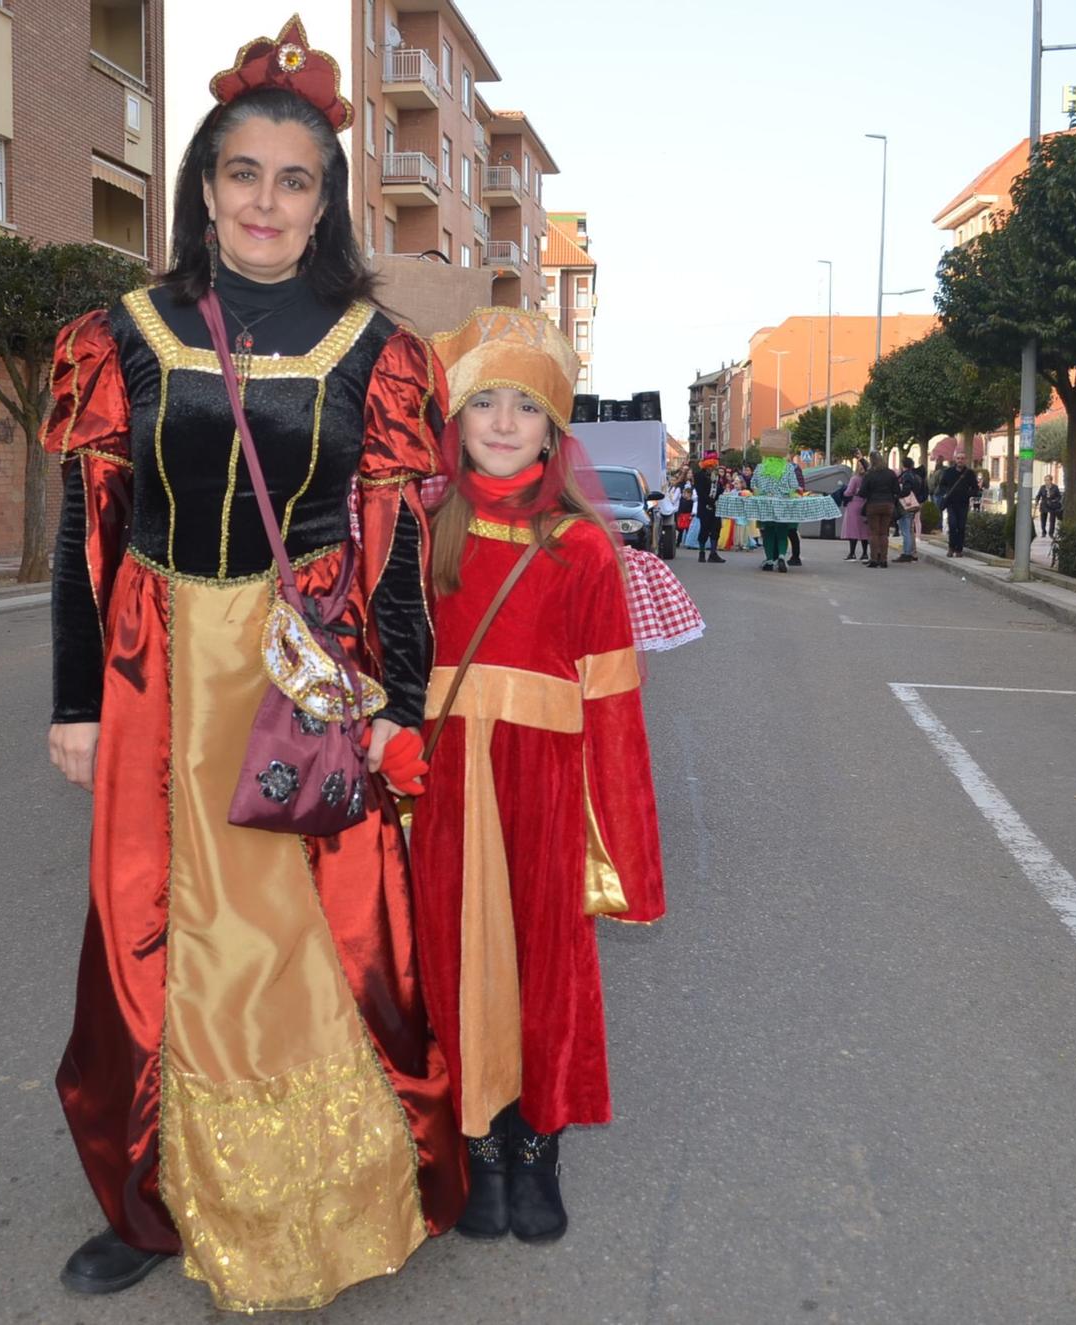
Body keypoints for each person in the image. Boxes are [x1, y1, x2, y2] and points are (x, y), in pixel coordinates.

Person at [39, 21, 465, 1308]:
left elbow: (392, 559)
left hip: (309, 672)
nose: (265, 200)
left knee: (309, 936)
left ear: (324, 199)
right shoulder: (117, 335)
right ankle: (155, 1195)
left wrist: (400, 707)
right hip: (158, 664)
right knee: (151, 931)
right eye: (242, 175)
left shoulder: (377, 352)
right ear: (203, 188)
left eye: (293, 179)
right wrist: (70, 702)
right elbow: (85, 536)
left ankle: (329, 1199)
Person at [415, 307, 666, 1245]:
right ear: (459, 417)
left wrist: (626, 848)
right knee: (457, 957)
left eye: (526, 405)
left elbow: (612, 705)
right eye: (487, 401)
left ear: (554, 426)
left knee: (545, 968)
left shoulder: (585, 548)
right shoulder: (421, 529)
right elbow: (392, 669)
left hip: (548, 789)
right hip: (446, 787)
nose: (506, 421)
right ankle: (476, 1146)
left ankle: (536, 1148)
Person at [752, 433, 802, 572]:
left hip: (766, 505)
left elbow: (753, 485)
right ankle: (780, 556)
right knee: (782, 531)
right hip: (783, 504)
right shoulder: (788, 468)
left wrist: (764, 492)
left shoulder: (760, 468)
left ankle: (769, 560)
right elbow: (794, 486)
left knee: (768, 532)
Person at [859, 453, 899, 568]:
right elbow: (896, 490)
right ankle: (884, 560)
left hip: (873, 505)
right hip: (888, 505)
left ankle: (874, 559)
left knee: (874, 533)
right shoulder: (891, 474)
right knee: (884, 533)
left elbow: (862, 492)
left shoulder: (870, 474)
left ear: (872, 462)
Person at [941, 459, 979, 557]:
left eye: (962, 459)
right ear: (955, 460)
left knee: (961, 527)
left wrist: (967, 494)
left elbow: (975, 488)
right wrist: (947, 493)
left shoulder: (969, 473)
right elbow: (942, 485)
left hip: (963, 504)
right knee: (952, 525)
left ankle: (959, 549)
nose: (960, 460)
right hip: (951, 503)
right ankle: (951, 548)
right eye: (958, 458)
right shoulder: (948, 472)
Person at [693, 449, 726, 563]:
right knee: (704, 530)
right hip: (704, 507)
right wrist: (710, 502)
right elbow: (700, 493)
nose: (714, 466)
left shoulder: (716, 476)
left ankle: (713, 553)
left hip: (715, 507)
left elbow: (720, 490)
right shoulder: (699, 476)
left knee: (716, 529)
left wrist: (720, 487)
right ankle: (701, 553)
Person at [895, 461, 928, 562]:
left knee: (906, 530)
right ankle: (912, 552)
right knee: (910, 529)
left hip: (907, 505)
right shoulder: (917, 476)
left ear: (903, 465)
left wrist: (898, 495)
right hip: (916, 503)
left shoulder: (906, 476)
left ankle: (907, 553)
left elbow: (906, 490)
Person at [840, 457, 868, 562]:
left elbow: (848, 492)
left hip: (854, 505)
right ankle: (865, 553)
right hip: (865, 505)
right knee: (864, 530)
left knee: (853, 530)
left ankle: (852, 553)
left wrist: (844, 490)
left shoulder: (854, 478)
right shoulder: (867, 478)